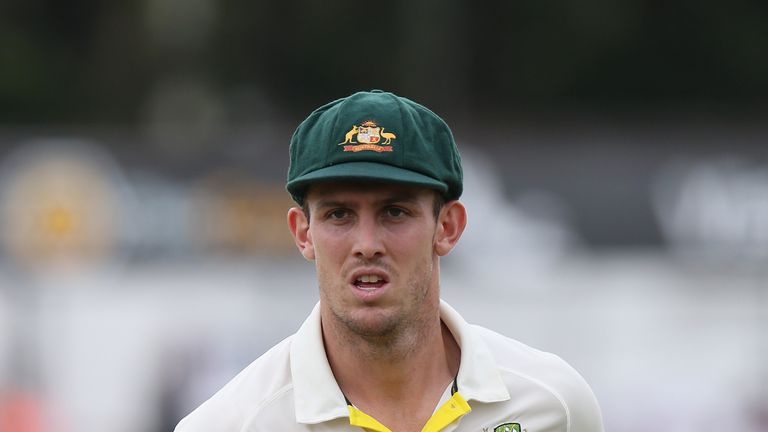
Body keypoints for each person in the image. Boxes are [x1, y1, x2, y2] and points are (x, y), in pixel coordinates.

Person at [174, 90, 604, 432]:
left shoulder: (553, 404)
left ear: (448, 227)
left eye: (395, 212)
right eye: (338, 214)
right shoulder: (229, 424)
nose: (366, 244)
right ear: (303, 233)